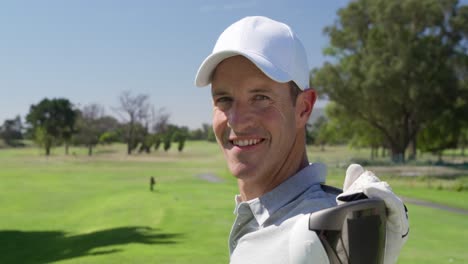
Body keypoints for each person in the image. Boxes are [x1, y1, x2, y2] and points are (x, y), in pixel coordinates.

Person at [195, 16, 408, 264]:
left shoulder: (325, 235)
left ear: (304, 108)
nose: (237, 120)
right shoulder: (261, 218)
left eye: (261, 97)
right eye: (224, 99)